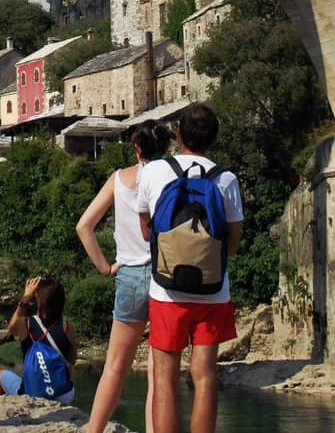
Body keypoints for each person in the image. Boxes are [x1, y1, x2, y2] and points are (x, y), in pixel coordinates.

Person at [137, 105, 244, 433]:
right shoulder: (226, 179)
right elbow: (233, 243)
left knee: (165, 378)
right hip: (213, 291)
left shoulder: (153, 172)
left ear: (178, 134)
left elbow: (146, 231)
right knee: (205, 376)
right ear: (213, 138)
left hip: (167, 291)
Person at [76, 120, 171, 433]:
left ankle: (94, 430)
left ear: (137, 147)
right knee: (158, 372)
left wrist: (104, 267)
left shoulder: (119, 178)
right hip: (163, 275)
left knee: (115, 366)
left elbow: (84, 226)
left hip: (128, 274)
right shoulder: (170, 179)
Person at [0, 275, 78, 404]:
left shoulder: (26, 324)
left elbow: (11, 327)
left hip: (35, 394)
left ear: (39, 299)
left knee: (1, 375)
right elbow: (72, 360)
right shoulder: (67, 327)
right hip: (64, 395)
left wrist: (26, 297)